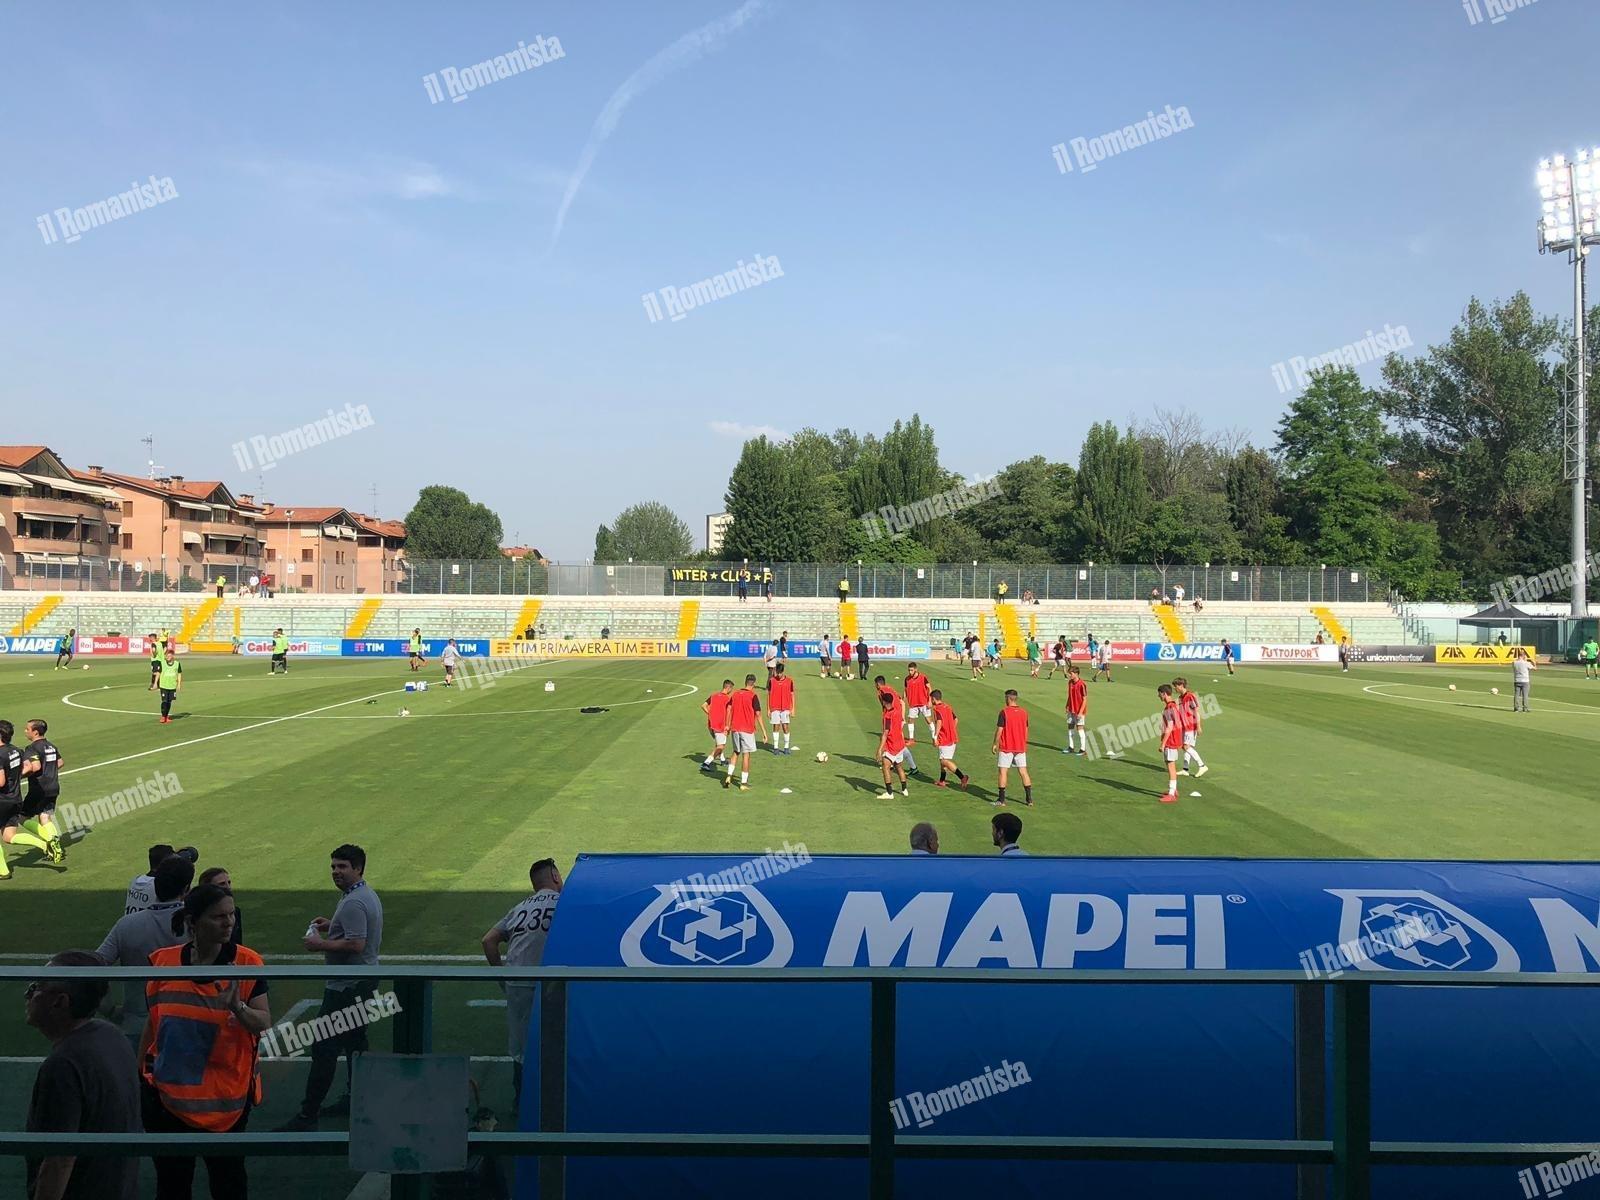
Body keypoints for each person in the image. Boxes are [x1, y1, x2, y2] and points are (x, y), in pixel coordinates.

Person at [143, 884, 271, 1197]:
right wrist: (141, 1082)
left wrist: (236, 1006)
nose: (229, 923)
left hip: (227, 1105)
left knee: (228, 1186)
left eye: (231, 915)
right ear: (193, 922)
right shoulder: (162, 962)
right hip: (167, 1101)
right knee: (172, 1187)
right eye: (218, 917)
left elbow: (263, 1023)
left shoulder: (248, 963)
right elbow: (154, 1026)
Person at [280, 844, 382, 1130]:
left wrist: (319, 944)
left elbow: (355, 943)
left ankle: (308, 1114)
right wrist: (332, 924)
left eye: (342, 867)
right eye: (334, 867)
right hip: (363, 981)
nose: (336, 872)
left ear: (358, 868)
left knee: (324, 1048)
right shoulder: (361, 894)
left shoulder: (353, 902)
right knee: (355, 1043)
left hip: (346, 987)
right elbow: (355, 933)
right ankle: (357, 1099)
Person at [25, 950, 141, 1200]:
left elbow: (59, 1161)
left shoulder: (63, 1065)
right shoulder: (111, 1035)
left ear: (60, 1002)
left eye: (36, 987)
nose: (29, 994)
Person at [482, 857, 562, 1110]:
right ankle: (553, 1100)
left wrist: (501, 976)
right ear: (557, 877)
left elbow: (488, 941)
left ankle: (521, 1101)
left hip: (517, 982)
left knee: (520, 1047)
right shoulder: (565, 905)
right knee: (556, 1039)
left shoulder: (520, 908)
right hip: (551, 982)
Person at [96, 854, 193, 1053]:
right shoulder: (195, 926)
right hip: (185, 1023)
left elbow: (93, 965)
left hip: (136, 1027)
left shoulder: (127, 925)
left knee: (134, 1083)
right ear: (186, 889)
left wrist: (110, 1010)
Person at [0, 719, 49, 881]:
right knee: (9, 836)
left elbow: (0, 781)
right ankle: (42, 844)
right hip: (15, 798)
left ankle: (3, 871)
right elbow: (26, 767)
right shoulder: (16, 751)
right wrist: (13, 778)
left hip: (2, 800)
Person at [21, 719, 65, 866]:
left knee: (21, 817)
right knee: (45, 817)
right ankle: (56, 846)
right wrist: (50, 770)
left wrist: (16, 776)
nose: (25, 731)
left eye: (27, 729)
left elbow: (35, 767)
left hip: (39, 788)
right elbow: (60, 762)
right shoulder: (51, 746)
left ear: (35, 732)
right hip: (53, 786)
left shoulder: (32, 748)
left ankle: (49, 841)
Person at [722, 674, 766, 792]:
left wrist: (727, 724)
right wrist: (764, 732)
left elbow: (728, 708)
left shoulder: (735, 694)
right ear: (754, 684)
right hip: (747, 729)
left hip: (735, 728)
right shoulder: (753, 696)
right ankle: (743, 783)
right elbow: (758, 714)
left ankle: (728, 776)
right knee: (746, 755)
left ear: (745, 682)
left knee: (736, 752)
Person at [127, 844, 198, 915]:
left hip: (133, 924)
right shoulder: (161, 887)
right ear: (165, 864)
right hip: (152, 925)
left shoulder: (135, 881)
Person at [992, 690, 1032, 808]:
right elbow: (1026, 729)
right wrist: (1023, 742)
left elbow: (1000, 730)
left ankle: (1001, 799)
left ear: (1008, 698)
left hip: (1006, 747)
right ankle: (1029, 799)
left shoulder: (1004, 712)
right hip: (1020, 747)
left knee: (1003, 772)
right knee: (1023, 772)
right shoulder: (1024, 712)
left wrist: (995, 743)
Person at [875, 676, 919, 774]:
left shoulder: (882, 692)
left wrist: (898, 718)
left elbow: (885, 707)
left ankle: (890, 764)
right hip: (897, 716)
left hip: (893, 718)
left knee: (889, 739)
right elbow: (901, 702)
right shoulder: (890, 688)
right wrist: (901, 717)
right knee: (898, 742)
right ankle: (912, 767)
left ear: (877, 684)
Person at [929, 689, 969, 790]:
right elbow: (956, 719)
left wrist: (935, 736)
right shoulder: (947, 706)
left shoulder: (937, 709)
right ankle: (942, 781)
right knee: (942, 760)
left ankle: (962, 777)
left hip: (944, 739)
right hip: (952, 737)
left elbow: (939, 722)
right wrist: (951, 729)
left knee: (944, 761)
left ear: (933, 699)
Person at [875, 691, 911, 799]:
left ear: (885, 702)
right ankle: (904, 789)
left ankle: (889, 793)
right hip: (900, 744)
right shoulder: (897, 711)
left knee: (885, 767)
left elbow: (885, 733)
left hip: (892, 746)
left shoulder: (887, 716)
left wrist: (879, 749)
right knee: (899, 766)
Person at [198, 866, 244, 947]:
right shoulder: (197, 914)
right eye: (222, 884)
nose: (228, 887)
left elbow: (237, 943)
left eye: (229, 883)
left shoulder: (235, 912)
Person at [1173, 677, 1209, 778]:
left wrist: (1198, 726)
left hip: (1191, 726)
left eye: (1175, 686)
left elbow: (1197, 711)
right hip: (1184, 726)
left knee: (1186, 746)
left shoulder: (1190, 696)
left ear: (1181, 686)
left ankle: (1202, 765)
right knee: (1187, 747)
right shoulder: (1180, 698)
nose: (1175, 689)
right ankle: (1185, 769)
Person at [701, 679, 735, 773]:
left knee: (718, 743)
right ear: (728, 688)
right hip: (720, 726)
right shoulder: (727, 699)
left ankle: (723, 760)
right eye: (731, 689)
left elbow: (703, 705)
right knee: (720, 746)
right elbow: (729, 712)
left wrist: (710, 714)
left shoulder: (713, 696)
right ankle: (706, 763)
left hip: (711, 725)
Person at [1157, 684, 1183, 802]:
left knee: (1171, 766)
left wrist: (1163, 743)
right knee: (1170, 765)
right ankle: (1173, 789)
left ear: (1164, 693)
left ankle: (1172, 794)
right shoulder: (1174, 706)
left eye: (1159, 694)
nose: (1158, 696)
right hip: (1174, 739)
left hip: (1171, 741)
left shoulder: (1169, 708)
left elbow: (1170, 727)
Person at [768, 662, 796, 755]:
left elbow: (792, 694)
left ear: (783, 672)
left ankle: (786, 747)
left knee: (785, 727)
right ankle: (775, 747)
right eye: (777, 672)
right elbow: (769, 695)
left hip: (785, 708)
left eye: (780, 673)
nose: (778, 675)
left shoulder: (789, 681)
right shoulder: (772, 681)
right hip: (774, 707)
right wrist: (768, 709)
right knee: (776, 726)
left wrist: (793, 708)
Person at [903, 663, 934, 746]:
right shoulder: (907, 679)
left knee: (928, 720)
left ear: (916, 669)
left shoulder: (923, 677)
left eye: (911, 670)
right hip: (913, 704)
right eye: (909, 670)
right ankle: (911, 739)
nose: (910, 672)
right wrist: (903, 700)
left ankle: (934, 738)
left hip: (924, 703)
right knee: (910, 721)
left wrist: (930, 701)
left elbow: (929, 688)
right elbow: (905, 690)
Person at [1064, 665, 1089, 756]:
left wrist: (1081, 712)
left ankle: (1083, 749)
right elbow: (1070, 695)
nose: (1069, 675)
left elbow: (1085, 699)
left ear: (1076, 673)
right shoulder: (1070, 682)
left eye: (1071, 673)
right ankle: (1071, 747)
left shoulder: (1082, 684)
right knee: (1070, 727)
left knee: (1080, 728)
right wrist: (1067, 705)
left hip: (1079, 711)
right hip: (1071, 709)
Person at [154, 649, 182, 724]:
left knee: (169, 702)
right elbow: (158, 673)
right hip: (164, 686)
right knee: (164, 701)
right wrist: (155, 683)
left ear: (172, 656)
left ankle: (166, 717)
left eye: (169, 655)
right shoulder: (162, 663)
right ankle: (163, 716)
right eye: (167, 656)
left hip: (172, 686)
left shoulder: (177, 664)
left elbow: (179, 674)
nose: (168, 657)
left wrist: (179, 684)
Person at [1512, 647, 1535, 712]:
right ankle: (1525, 708)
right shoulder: (1526, 663)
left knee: (1516, 695)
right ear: (1524, 656)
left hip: (1517, 680)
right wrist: (1534, 663)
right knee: (1525, 695)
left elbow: (1516, 663)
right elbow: (1535, 668)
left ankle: (1516, 708)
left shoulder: (1514, 662)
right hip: (1525, 681)